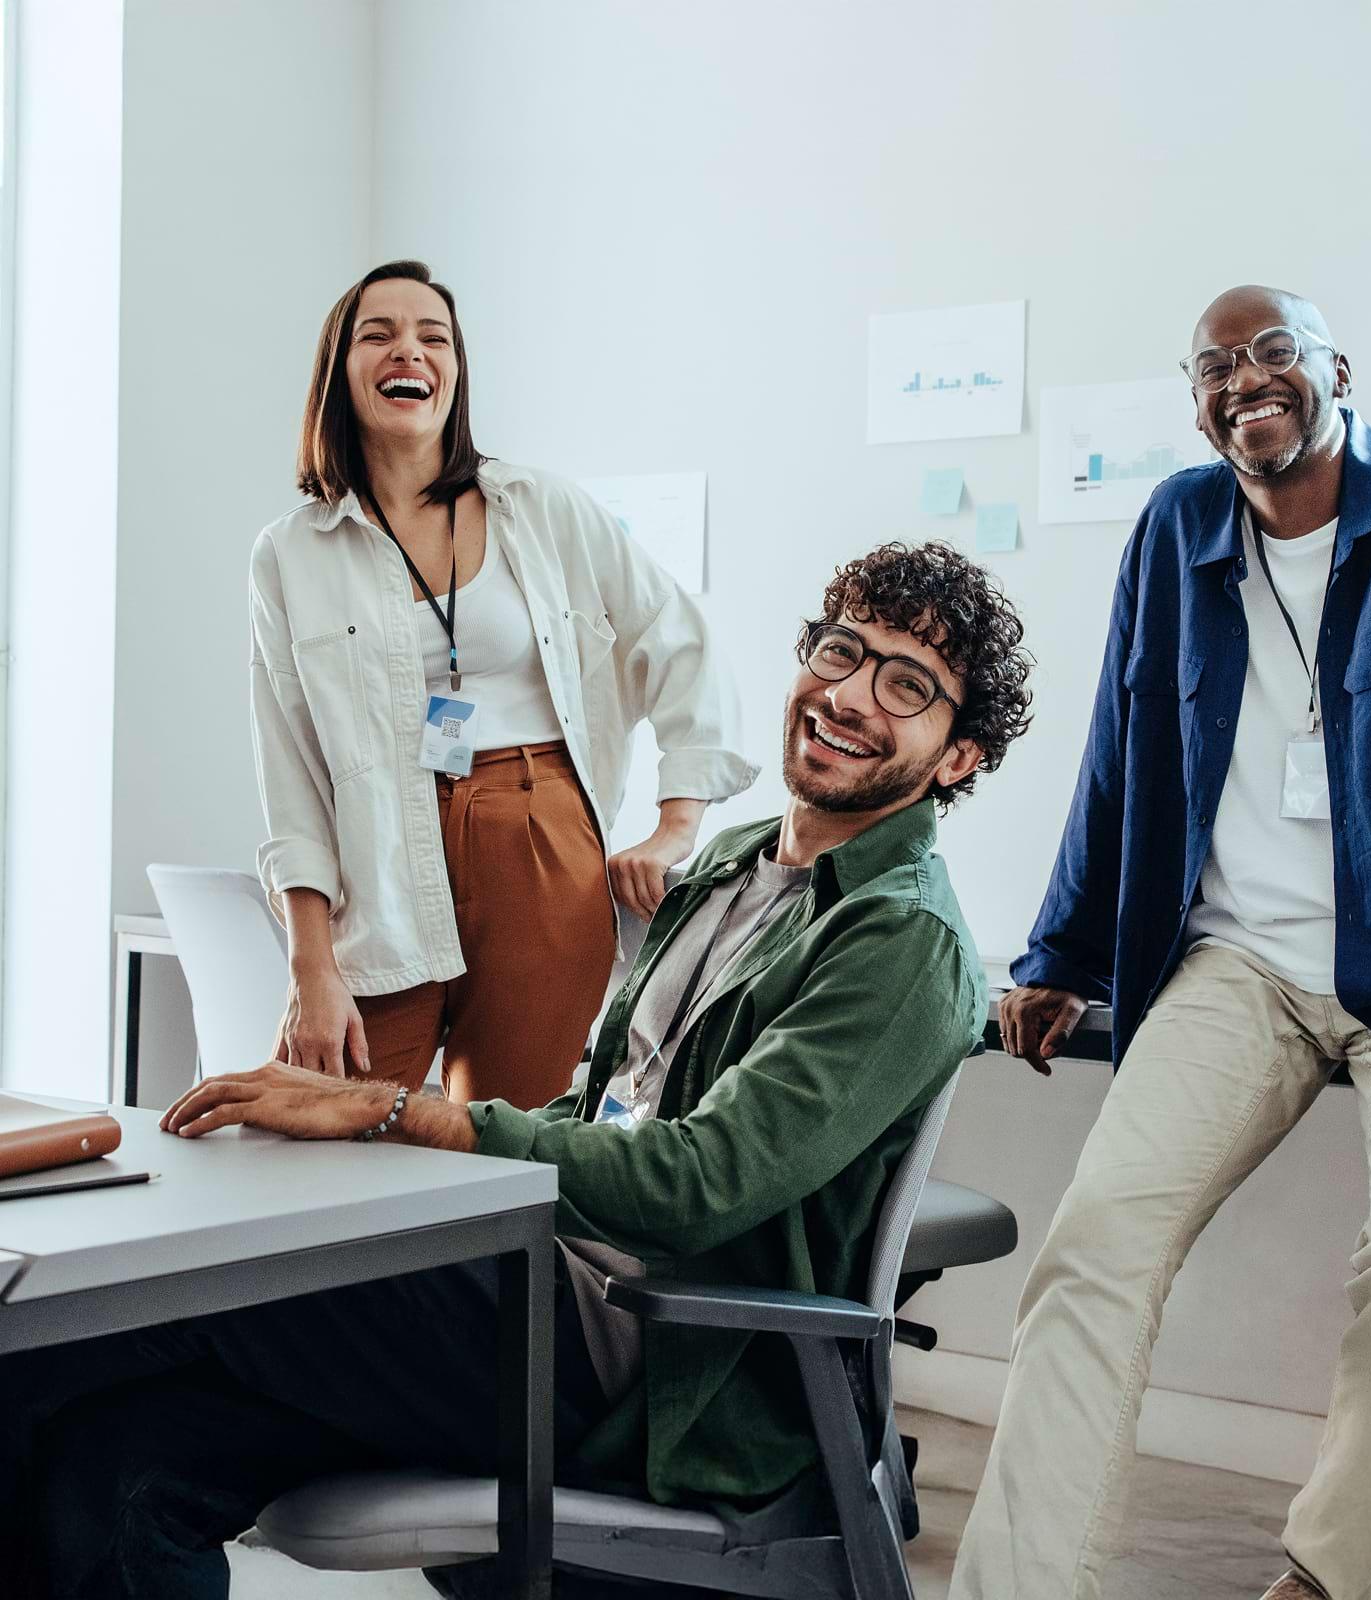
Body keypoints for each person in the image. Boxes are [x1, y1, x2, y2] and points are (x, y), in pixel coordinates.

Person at [3, 540, 1034, 1600]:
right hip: (539, 1279)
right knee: (111, 1460)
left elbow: (699, 1181)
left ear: (956, 757)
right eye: (839, 650)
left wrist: (399, 1113)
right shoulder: (730, 863)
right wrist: (385, 1134)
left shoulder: (899, 938)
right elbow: (603, 1111)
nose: (850, 692)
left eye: (907, 684)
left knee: (135, 1302)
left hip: (640, 1354)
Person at [952, 285, 1371, 1600]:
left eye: (1272, 352)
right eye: (1215, 366)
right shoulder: (1179, 525)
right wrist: (1060, 954)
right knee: (1091, 1252)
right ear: (1196, 403)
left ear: (1335, 369)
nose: (1245, 379)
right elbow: (1120, 751)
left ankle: (1324, 1578)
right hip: (1235, 969)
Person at [252, 258, 754, 1108]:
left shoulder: (543, 508)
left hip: (539, 836)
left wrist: (675, 827)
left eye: (432, 336)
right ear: (340, 371)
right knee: (323, 1124)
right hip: (377, 861)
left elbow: (680, 644)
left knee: (510, 1143)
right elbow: (289, 768)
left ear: (454, 371)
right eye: (378, 334)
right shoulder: (292, 552)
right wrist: (310, 963)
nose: (408, 350)